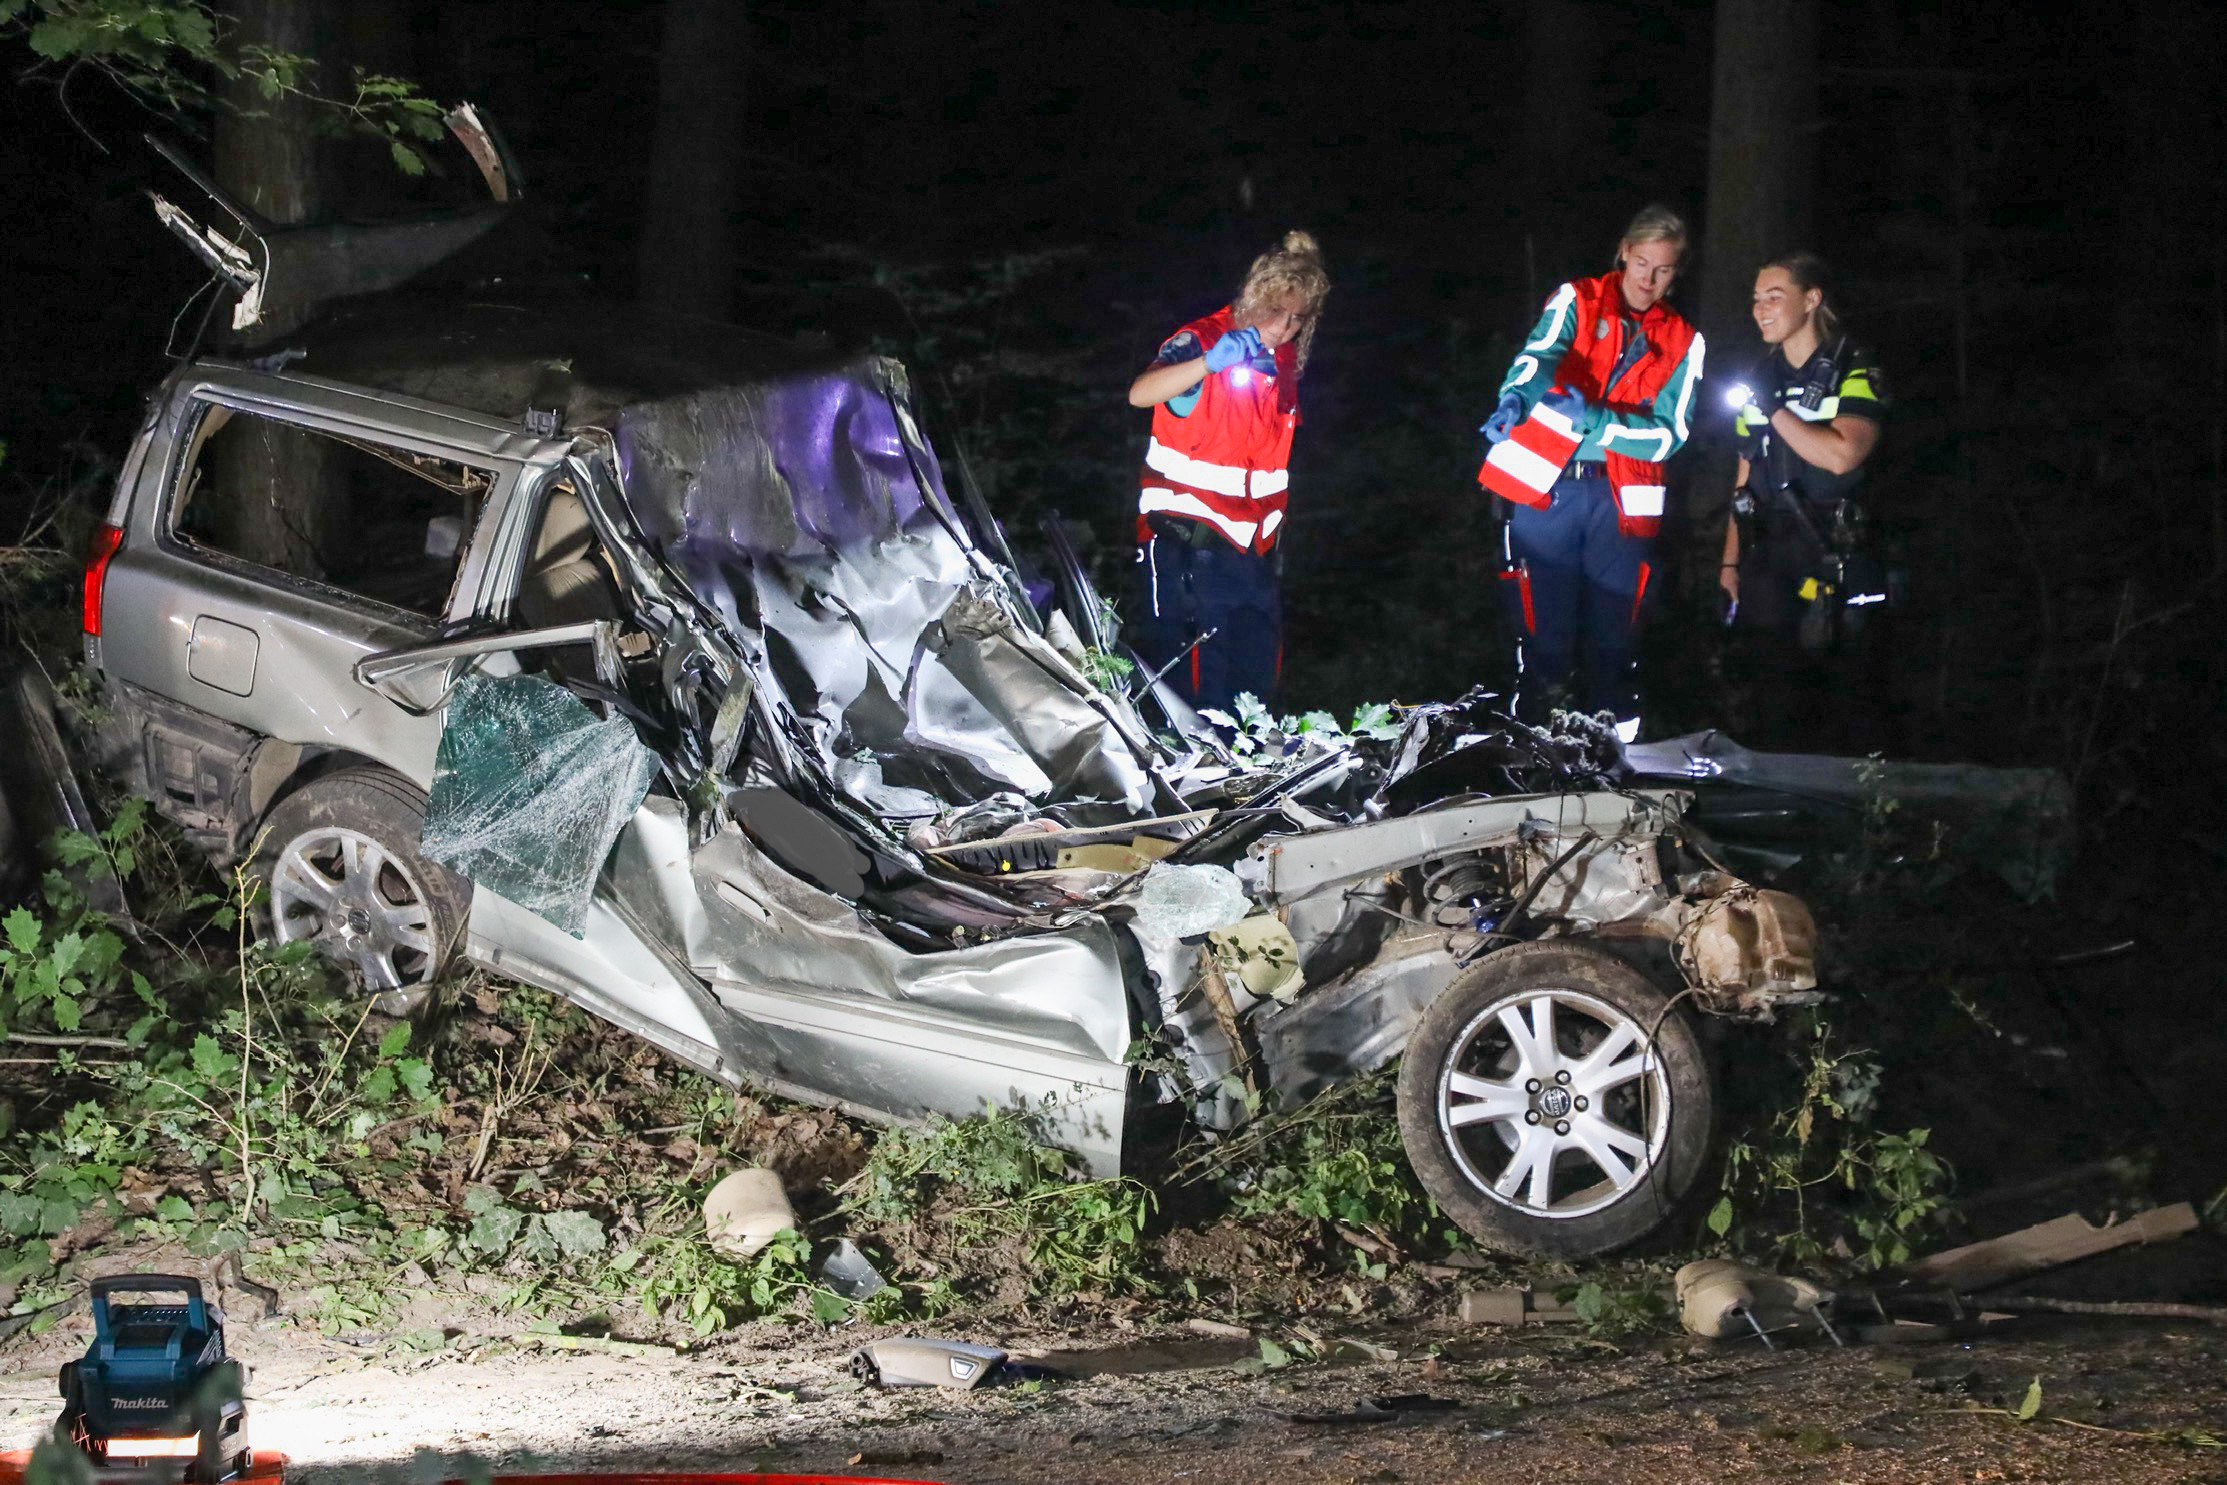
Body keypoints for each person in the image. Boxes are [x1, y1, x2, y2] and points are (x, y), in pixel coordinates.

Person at [1477, 205, 1706, 742]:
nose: (1648, 280)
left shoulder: (1683, 340)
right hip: (1546, 492)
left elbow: (1670, 433)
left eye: (1664, 270)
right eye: (1642, 262)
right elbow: (1539, 356)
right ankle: (1528, 759)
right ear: (1624, 251)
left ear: (1678, 272)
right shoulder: (1576, 300)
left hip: (1621, 507)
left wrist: (1597, 421)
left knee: (1614, 649)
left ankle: (1618, 769)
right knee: (1543, 643)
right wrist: (1514, 398)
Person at [1127, 230, 1329, 713]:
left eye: (1297, 318)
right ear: (1254, 297)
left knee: (1253, 694)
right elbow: (1141, 393)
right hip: (1185, 547)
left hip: (1250, 558)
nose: (1283, 327)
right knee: (1191, 698)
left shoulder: (1282, 363)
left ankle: (1249, 781)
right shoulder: (1202, 339)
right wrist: (1207, 364)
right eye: (1275, 311)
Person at [1718, 252, 1890, 748]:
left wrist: (1773, 409)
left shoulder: (1855, 367)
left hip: (1839, 558)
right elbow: (1744, 478)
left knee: (1848, 708)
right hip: (1769, 560)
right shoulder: (1757, 376)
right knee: (1774, 708)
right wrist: (1729, 567)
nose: (1760, 309)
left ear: (1812, 300)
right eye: (1755, 299)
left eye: (1775, 297)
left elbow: (1843, 455)